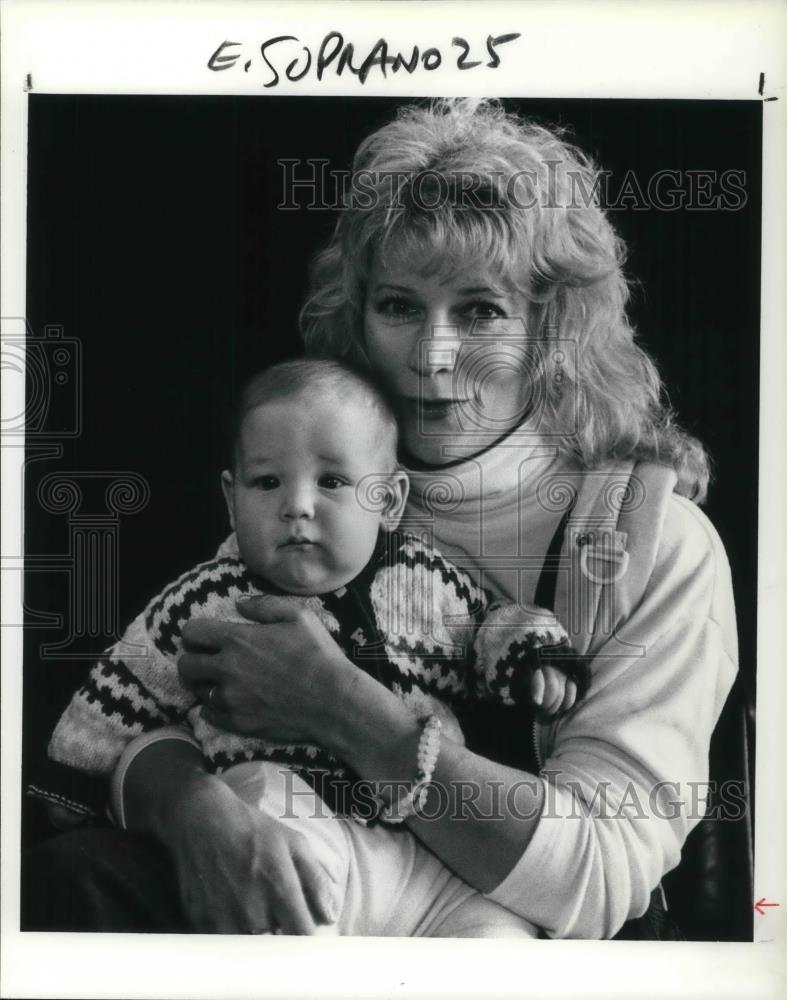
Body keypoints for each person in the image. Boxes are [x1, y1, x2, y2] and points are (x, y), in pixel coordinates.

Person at [22, 98, 738, 940]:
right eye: (399, 306)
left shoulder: (653, 542)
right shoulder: (313, 486)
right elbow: (165, 705)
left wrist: (342, 709)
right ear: (358, 318)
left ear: (554, 329)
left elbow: (595, 881)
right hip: (306, 875)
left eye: (480, 311)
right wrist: (189, 810)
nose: (433, 358)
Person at [33, 356, 584, 937]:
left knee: (498, 935)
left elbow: (490, 627)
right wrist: (70, 784)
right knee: (288, 909)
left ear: (390, 501)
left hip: (427, 842)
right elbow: (121, 689)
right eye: (268, 482)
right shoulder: (207, 599)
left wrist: (531, 658)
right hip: (289, 811)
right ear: (230, 498)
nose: (296, 505)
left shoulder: (428, 581)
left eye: (332, 482)